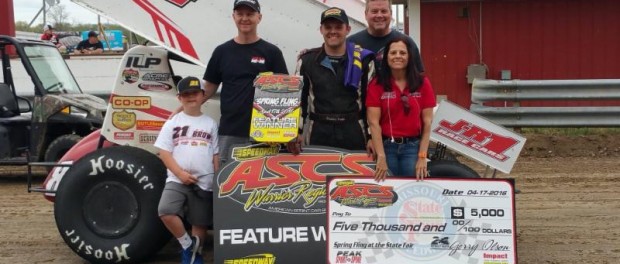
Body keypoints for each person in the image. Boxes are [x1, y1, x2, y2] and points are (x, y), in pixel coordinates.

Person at [202, 0, 288, 164]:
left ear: (259, 17)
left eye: (250, 14)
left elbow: (286, 94)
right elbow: (208, 88)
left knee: (261, 185)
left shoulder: (272, 52)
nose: (244, 18)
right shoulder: (222, 52)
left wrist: (289, 132)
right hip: (230, 130)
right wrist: (180, 109)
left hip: (265, 134)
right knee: (226, 183)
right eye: (240, 14)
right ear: (233, 16)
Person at [289, 7, 374, 152]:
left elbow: (371, 103)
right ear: (321, 29)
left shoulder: (364, 61)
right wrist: (296, 132)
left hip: (354, 131)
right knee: (316, 175)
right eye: (328, 27)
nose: (333, 31)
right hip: (318, 131)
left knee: (353, 175)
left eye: (338, 27)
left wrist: (372, 137)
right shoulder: (307, 60)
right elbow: (298, 100)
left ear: (347, 29)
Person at [155, 76, 219, 264]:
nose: (191, 97)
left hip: (204, 182)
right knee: (165, 210)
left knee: (199, 223)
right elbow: (164, 152)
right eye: (186, 94)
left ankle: (194, 257)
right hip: (177, 179)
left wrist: (216, 177)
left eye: (195, 93)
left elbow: (215, 153)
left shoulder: (211, 123)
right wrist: (180, 173)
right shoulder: (173, 122)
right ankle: (187, 245)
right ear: (179, 98)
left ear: (203, 95)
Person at [366, 37, 436, 181]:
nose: (398, 56)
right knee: (388, 189)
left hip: (412, 148)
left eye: (402, 53)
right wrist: (381, 156)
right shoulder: (376, 84)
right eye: (393, 53)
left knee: (411, 190)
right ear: (386, 58)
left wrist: (422, 156)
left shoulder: (423, 83)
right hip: (386, 148)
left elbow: (428, 123)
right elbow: (373, 123)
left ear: (410, 57)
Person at [347, 0, 424, 73]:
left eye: (384, 11)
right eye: (374, 11)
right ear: (366, 14)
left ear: (391, 13)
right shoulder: (350, 43)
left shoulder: (407, 43)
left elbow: (418, 78)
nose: (379, 15)